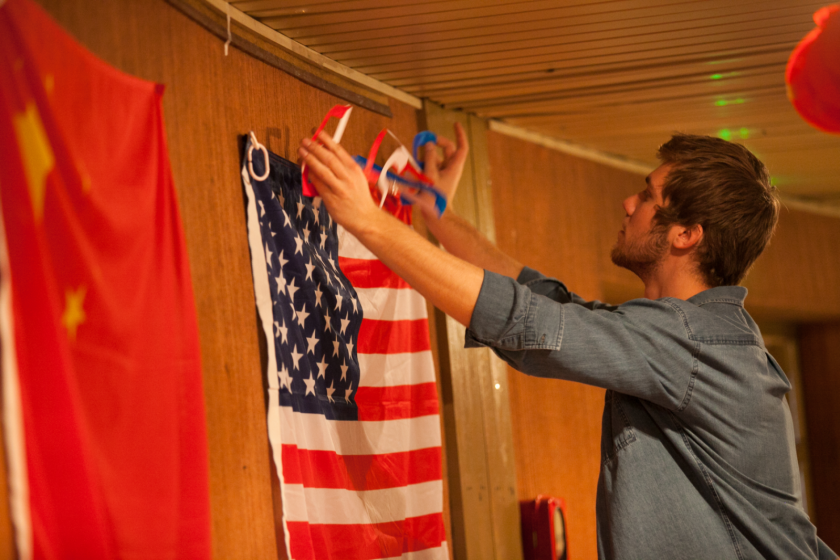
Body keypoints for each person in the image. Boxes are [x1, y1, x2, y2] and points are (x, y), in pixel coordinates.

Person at [298, 127, 838, 560]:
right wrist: (437, 215)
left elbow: (530, 324)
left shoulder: (696, 345)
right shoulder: (684, 336)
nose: (629, 203)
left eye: (648, 196)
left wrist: (367, 222)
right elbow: (547, 304)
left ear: (685, 234)